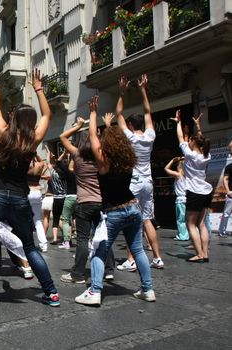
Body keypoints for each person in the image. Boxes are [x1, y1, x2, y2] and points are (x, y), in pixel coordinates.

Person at [0, 69, 59, 312]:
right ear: (31, 123)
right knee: (29, 247)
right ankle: (51, 292)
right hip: (20, 196)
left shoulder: (3, 133)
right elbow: (48, 113)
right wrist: (39, 89)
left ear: (14, 121)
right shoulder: (33, 139)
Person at [75, 97, 155, 306]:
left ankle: (95, 291)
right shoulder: (128, 159)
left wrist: (93, 113)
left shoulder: (103, 162)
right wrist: (110, 127)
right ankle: (147, 289)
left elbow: (92, 135)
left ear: (106, 144)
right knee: (137, 250)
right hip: (133, 208)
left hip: (114, 212)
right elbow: (108, 139)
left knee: (100, 250)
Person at [116, 75, 164, 271]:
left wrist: (122, 92)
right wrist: (143, 89)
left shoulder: (130, 138)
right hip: (148, 182)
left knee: (131, 221)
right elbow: (147, 111)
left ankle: (131, 260)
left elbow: (118, 113)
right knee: (146, 219)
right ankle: (158, 258)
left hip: (134, 182)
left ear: (130, 125)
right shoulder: (150, 136)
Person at [60, 120, 115, 284]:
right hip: (101, 202)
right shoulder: (101, 156)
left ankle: (77, 274)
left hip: (84, 202)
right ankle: (109, 270)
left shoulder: (77, 155)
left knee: (83, 239)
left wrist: (78, 126)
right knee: (103, 236)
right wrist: (103, 130)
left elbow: (62, 137)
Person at [173, 110, 212, 262]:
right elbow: (201, 140)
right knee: (201, 224)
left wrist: (178, 122)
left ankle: (200, 254)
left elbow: (180, 137)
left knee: (190, 224)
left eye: (191, 140)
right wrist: (198, 126)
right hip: (206, 191)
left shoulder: (190, 155)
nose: (188, 141)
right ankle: (206, 254)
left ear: (194, 142)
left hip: (194, 192)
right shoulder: (206, 155)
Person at [164, 157, 189, 241]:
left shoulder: (178, 175)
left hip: (180, 200)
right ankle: (188, 234)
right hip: (188, 199)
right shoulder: (188, 176)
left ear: (179, 167)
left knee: (181, 219)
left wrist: (172, 160)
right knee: (188, 219)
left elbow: (166, 169)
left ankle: (183, 236)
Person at [218, 141, 232, 237]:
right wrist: (228, 191)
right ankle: (221, 231)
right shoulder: (230, 167)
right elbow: (225, 179)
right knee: (226, 213)